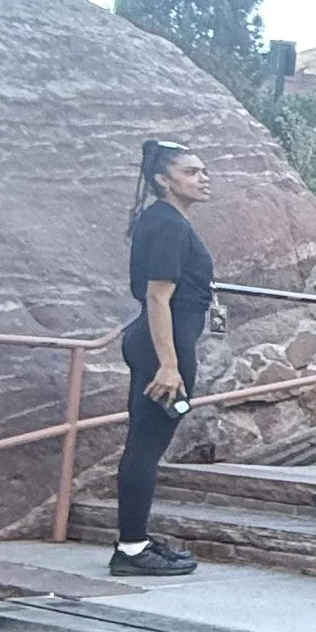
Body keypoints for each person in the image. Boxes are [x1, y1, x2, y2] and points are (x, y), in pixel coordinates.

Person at [113, 138, 215, 574]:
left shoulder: (163, 220)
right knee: (145, 449)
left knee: (143, 444)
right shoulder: (170, 224)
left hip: (158, 344)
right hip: (163, 348)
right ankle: (132, 549)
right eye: (191, 172)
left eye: (203, 170)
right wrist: (170, 365)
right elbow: (158, 297)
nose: (203, 177)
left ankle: (135, 540)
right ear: (163, 180)